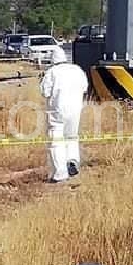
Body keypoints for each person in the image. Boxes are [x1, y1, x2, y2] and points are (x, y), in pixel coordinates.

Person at [39, 46, 88, 183]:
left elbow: (45, 92)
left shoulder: (52, 72)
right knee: (72, 136)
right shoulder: (77, 70)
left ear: (52, 60)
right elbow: (84, 88)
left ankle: (60, 173)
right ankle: (72, 160)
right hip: (76, 109)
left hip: (58, 110)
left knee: (56, 139)